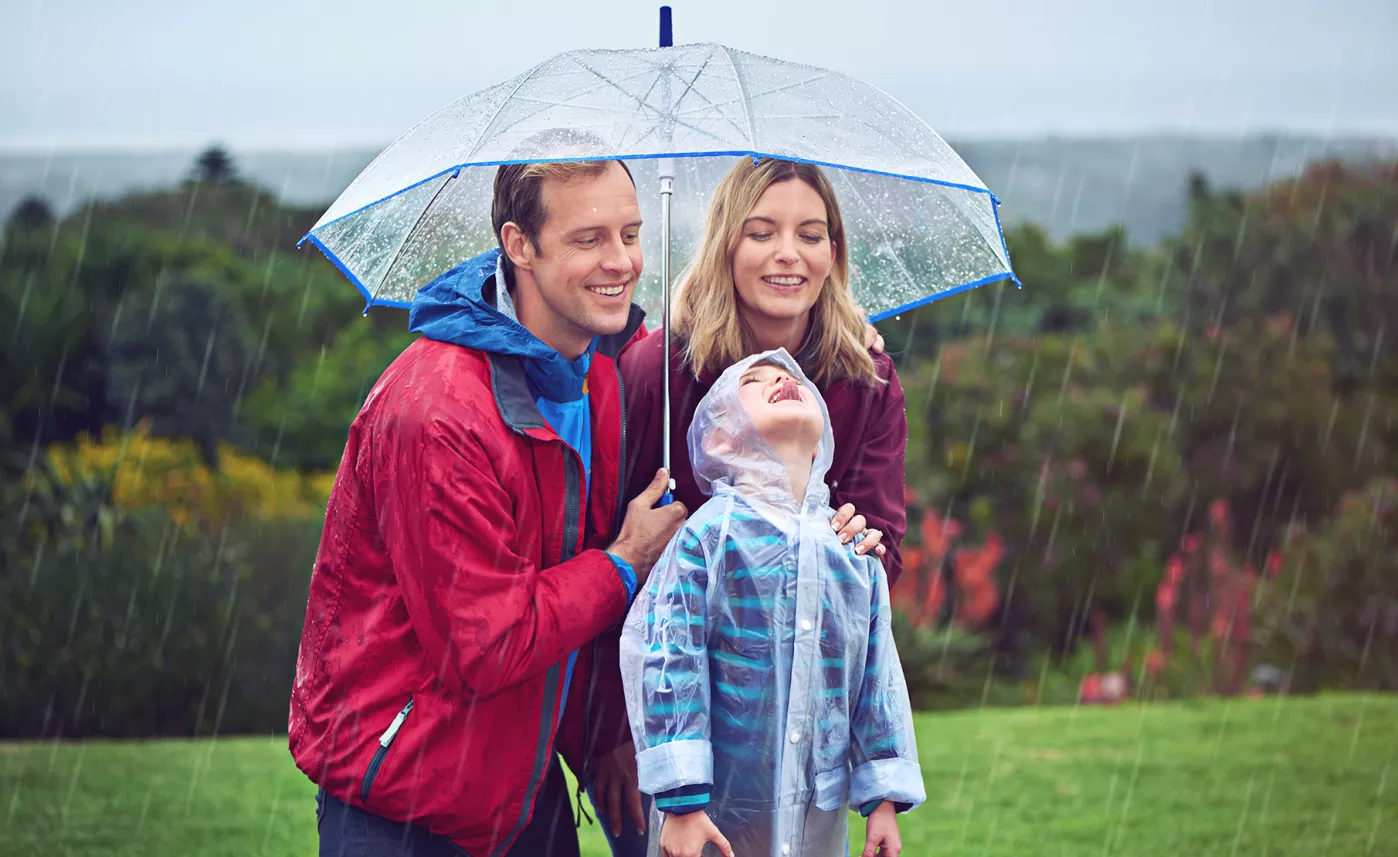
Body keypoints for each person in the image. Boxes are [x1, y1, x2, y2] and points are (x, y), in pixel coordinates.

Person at [288, 156, 688, 857]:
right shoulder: (437, 412)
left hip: (520, 786)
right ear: (519, 245)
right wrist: (624, 561)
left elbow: (563, 572)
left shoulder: (595, 379)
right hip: (405, 801)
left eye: (630, 233)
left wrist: (602, 738)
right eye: (589, 238)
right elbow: (487, 643)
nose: (622, 261)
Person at [585, 157, 911, 854]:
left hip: (796, 727)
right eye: (762, 232)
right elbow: (607, 553)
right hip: (673, 719)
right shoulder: (660, 373)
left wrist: (866, 541)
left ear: (834, 252)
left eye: (812, 234)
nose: (788, 253)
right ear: (727, 242)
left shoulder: (867, 380)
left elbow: (878, 558)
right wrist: (611, 731)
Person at [621, 349, 924, 857]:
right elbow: (668, 658)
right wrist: (682, 800)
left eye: (792, 378)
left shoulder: (852, 550)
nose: (782, 380)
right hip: (714, 815)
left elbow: (878, 676)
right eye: (755, 381)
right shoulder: (710, 537)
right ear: (719, 439)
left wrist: (884, 799)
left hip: (817, 817)